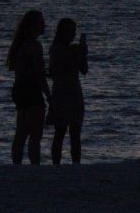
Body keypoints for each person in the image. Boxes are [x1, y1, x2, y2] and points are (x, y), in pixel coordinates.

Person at [8, 9, 49, 165]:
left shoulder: (19, 45)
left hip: (19, 88)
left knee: (21, 132)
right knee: (35, 134)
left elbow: (25, 69)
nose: (44, 25)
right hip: (31, 89)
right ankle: (34, 165)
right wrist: (49, 95)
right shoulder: (34, 45)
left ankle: (16, 164)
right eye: (41, 21)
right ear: (34, 25)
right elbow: (39, 74)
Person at [47, 18, 89, 165]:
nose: (73, 35)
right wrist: (76, 56)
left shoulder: (74, 49)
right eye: (70, 31)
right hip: (61, 92)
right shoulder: (56, 49)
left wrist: (83, 54)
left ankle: (76, 163)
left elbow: (84, 70)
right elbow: (55, 71)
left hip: (75, 92)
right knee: (60, 130)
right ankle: (56, 164)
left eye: (74, 31)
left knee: (76, 131)